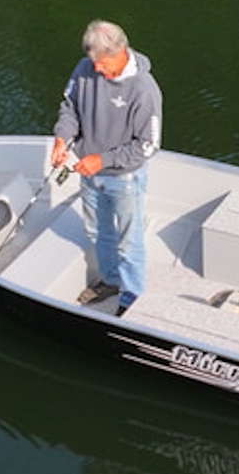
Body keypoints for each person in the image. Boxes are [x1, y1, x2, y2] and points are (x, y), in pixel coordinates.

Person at [51, 19, 163, 316]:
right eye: (94, 63)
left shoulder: (144, 89)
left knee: (129, 240)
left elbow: (148, 146)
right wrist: (62, 139)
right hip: (89, 172)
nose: (97, 70)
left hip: (124, 178)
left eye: (103, 63)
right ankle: (112, 280)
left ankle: (132, 297)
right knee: (96, 231)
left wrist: (103, 160)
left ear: (121, 51)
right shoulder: (84, 69)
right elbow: (70, 108)